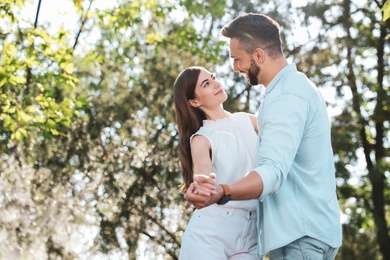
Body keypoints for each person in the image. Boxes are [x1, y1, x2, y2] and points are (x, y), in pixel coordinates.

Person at [184, 13, 343, 259]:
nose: (235, 68)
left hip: (299, 236)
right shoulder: (296, 88)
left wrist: (223, 190)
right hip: (310, 232)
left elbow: (272, 172)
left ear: (259, 55)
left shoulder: (285, 98)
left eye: (237, 59)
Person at [173, 66, 262, 259]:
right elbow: (203, 172)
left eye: (212, 77)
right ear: (194, 101)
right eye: (206, 84)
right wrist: (201, 186)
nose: (216, 83)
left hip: (252, 231)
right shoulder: (201, 138)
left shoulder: (248, 120)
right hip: (211, 232)